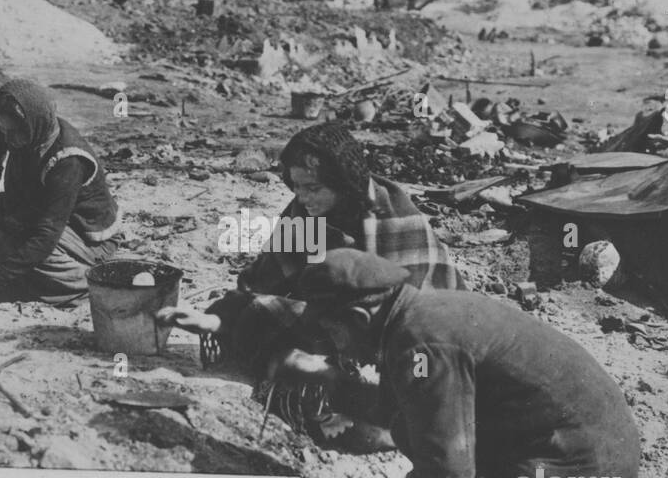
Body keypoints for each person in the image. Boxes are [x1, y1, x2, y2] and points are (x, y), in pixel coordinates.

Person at [287, 249, 668, 478]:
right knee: (410, 428)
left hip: (577, 469)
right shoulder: (420, 317)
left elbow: (446, 476)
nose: (334, 349)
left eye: (332, 334)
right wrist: (331, 386)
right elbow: (401, 411)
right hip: (594, 458)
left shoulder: (419, 345)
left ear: (359, 319)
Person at [160, 122, 462, 443]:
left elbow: (411, 314)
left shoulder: (390, 220)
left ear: (344, 183)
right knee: (260, 313)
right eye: (296, 187)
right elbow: (264, 277)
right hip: (349, 315)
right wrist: (218, 317)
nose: (302, 198)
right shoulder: (307, 214)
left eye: (313, 188)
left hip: (423, 333)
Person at [0, 80, 121, 306]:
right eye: (3, 128)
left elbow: (46, 235)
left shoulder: (68, 160)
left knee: (37, 251)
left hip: (86, 235)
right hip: (38, 212)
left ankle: (86, 283)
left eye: (14, 132)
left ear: (34, 123)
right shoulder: (14, 131)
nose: (8, 138)